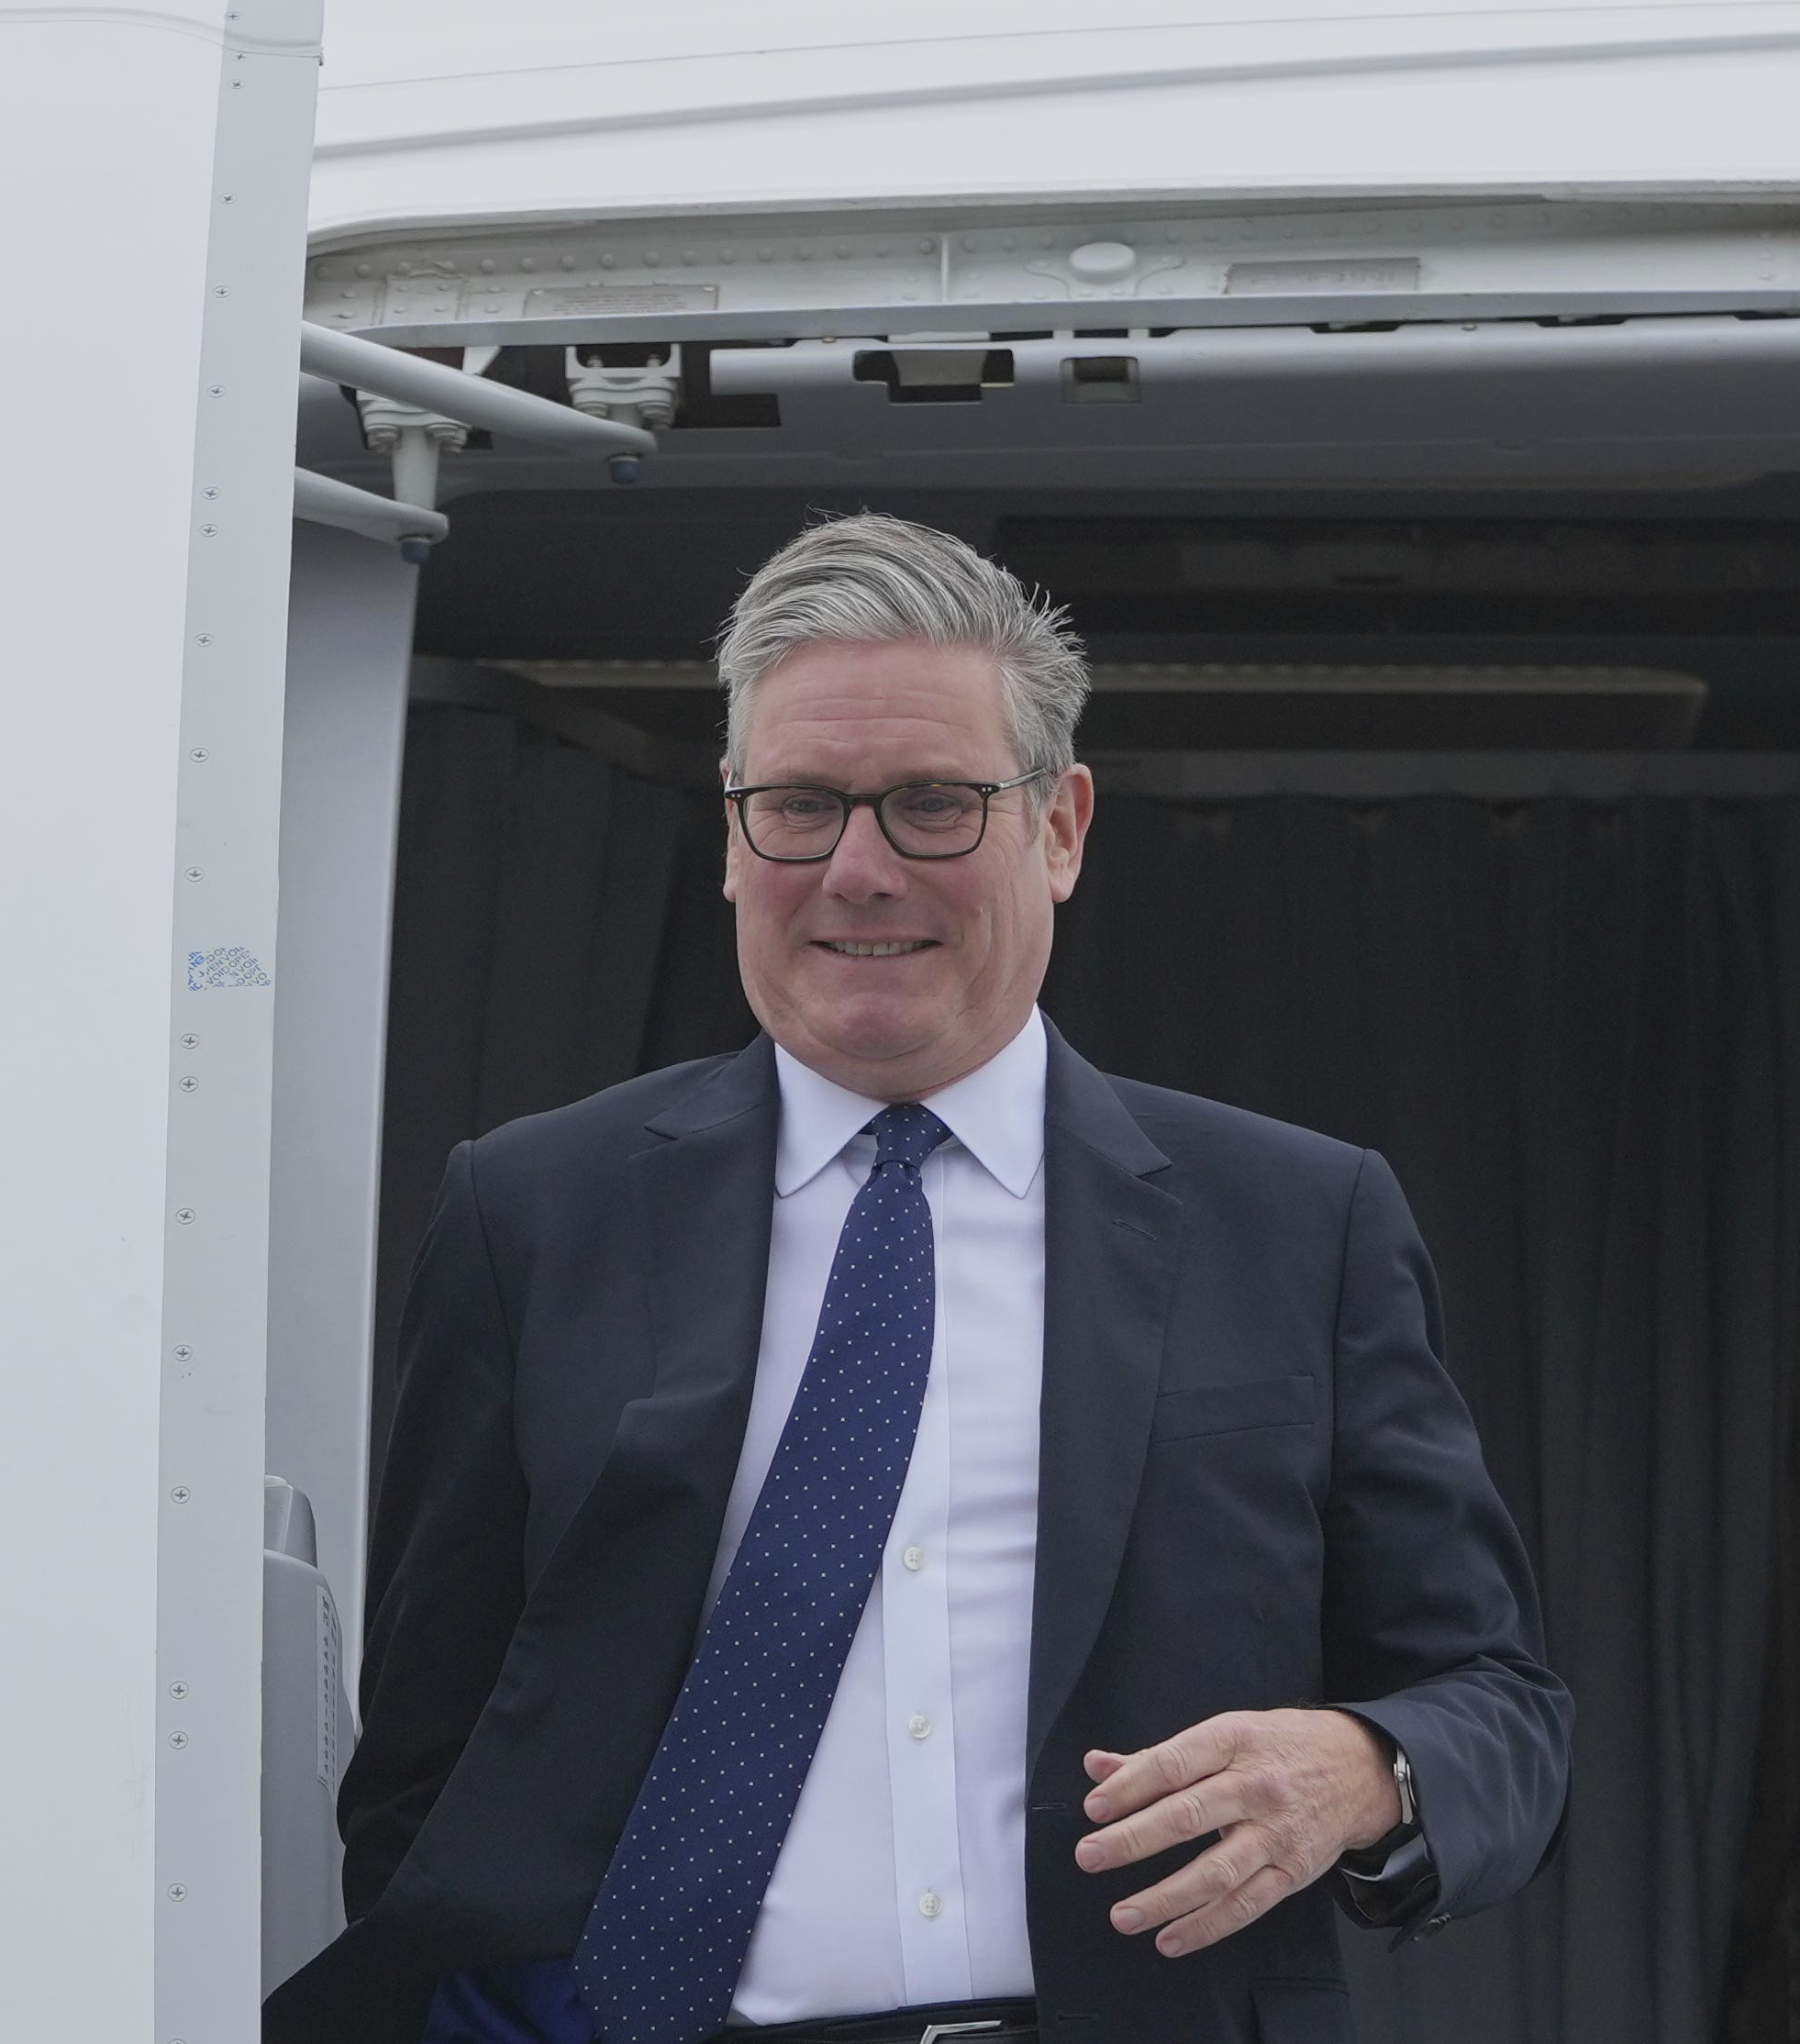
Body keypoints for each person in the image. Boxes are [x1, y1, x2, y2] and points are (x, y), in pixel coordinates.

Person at [262, 514, 1571, 2044]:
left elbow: (1498, 1705)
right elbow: (428, 1755)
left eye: (934, 805)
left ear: (1061, 827)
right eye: (799, 808)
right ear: (732, 832)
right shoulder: (531, 1210)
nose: (859, 872)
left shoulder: (1294, 1221)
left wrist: (1364, 1769)